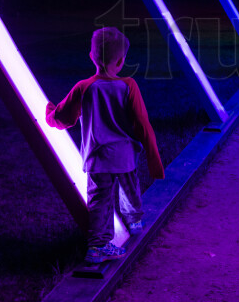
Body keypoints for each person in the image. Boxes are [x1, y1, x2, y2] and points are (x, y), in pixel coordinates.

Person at [46, 27, 164, 264]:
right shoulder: (129, 86)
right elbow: (142, 123)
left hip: (98, 158)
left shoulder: (84, 87)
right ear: (120, 61)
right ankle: (134, 221)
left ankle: (97, 246)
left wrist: (50, 113)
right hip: (125, 155)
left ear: (91, 56)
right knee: (130, 189)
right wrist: (154, 159)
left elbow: (64, 117)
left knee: (99, 200)